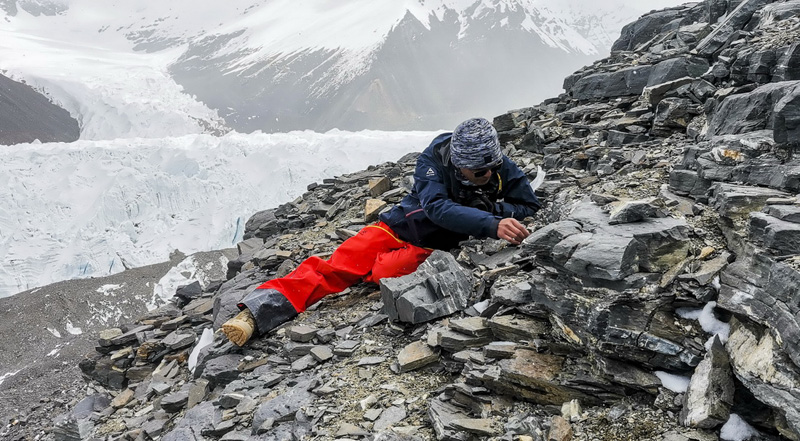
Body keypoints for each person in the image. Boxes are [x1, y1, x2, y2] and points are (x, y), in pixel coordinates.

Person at [221, 117, 542, 346]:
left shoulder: (500, 166)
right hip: (395, 226)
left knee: (380, 274)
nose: (478, 176)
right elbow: (436, 209)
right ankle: (255, 312)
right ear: (457, 162)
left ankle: (369, 274)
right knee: (336, 266)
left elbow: (528, 204)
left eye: (485, 171)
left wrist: (493, 212)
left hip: (431, 247)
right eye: (470, 172)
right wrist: (490, 222)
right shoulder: (433, 160)